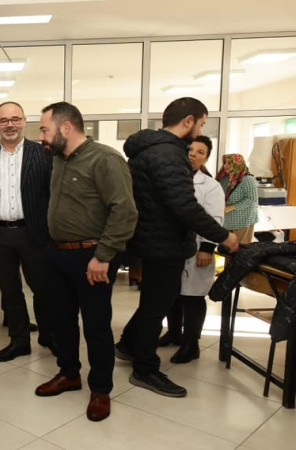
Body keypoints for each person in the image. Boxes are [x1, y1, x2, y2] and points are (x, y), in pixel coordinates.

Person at [116, 97, 239, 398]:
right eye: (201, 124)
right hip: (164, 243)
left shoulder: (146, 150)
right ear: (188, 121)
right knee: (156, 307)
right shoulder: (169, 154)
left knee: (153, 302)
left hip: (149, 239)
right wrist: (223, 236)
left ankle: (129, 345)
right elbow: (185, 207)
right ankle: (145, 369)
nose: (200, 131)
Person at [33, 102, 137, 422]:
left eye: (45, 130)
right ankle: (69, 373)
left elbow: (125, 212)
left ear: (66, 128)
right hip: (57, 253)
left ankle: (101, 389)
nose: (42, 136)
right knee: (61, 320)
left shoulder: (105, 159)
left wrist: (103, 257)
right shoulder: (59, 159)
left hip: (92, 257)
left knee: (95, 325)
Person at [0, 101, 55, 362]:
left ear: (24, 121)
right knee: (10, 290)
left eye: (15, 119)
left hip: (34, 232)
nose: (10, 125)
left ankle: (49, 336)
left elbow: (53, 195)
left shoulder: (43, 154)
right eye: (4, 120)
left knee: (43, 289)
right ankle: (19, 341)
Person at [159, 135, 225, 363]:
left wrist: (207, 248)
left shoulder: (211, 186)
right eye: (191, 150)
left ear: (206, 158)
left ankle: (191, 344)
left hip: (197, 248)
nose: (193, 155)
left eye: (200, 152)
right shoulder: (172, 179)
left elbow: (215, 219)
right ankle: (174, 333)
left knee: (193, 297)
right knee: (173, 295)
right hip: (171, 247)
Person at [217, 154, 259, 244]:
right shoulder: (224, 179)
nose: (225, 166)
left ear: (237, 164)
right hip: (227, 222)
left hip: (243, 221)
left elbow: (251, 199)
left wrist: (230, 208)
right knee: (226, 249)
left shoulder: (247, 179)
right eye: (225, 163)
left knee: (241, 249)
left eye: (229, 163)